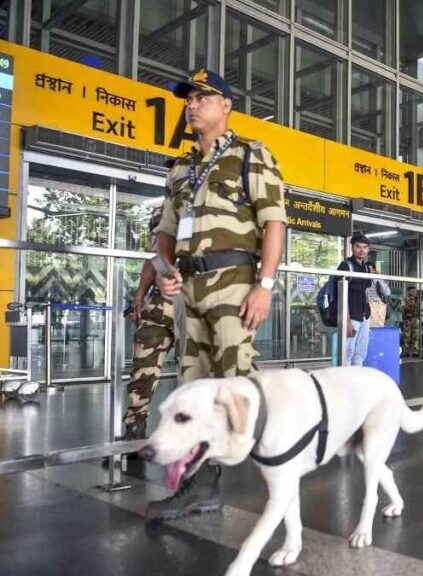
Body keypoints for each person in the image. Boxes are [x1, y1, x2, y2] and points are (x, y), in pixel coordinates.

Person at [150, 69, 287, 517]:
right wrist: (164, 272)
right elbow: (165, 233)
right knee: (191, 389)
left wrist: (264, 286)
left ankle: (280, 481)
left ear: (225, 106)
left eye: (201, 98)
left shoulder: (251, 155)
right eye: (188, 99)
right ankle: (199, 485)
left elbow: (274, 223)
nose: (191, 104)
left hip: (234, 285)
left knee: (236, 385)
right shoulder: (179, 169)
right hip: (189, 292)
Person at [122, 209, 176, 442]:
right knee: (142, 373)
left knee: (196, 376)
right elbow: (153, 260)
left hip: (193, 311)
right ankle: (134, 430)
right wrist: (139, 296)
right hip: (157, 311)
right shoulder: (167, 218)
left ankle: (200, 443)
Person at [337, 233, 379, 366]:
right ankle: (345, 382)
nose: (361, 250)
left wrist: (370, 313)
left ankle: (356, 381)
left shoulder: (367, 268)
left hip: (365, 316)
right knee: (347, 352)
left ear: (368, 249)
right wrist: (347, 321)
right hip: (351, 316)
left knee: (361, 353)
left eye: (365, 247)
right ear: (352, 248)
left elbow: (366, 291)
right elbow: (342, 295)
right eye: (358, 247)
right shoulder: (345, 266)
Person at [401, 286, 422, 358]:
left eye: (415, 291)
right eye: (413, 291)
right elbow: (404, 307)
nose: (414, 292)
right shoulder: (405, 298)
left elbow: (419, 307)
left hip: (415, 319)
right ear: (409, 291)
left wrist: (412, 306)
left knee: (416, 336)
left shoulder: (417, 299)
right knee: (406, 337)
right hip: (407, 320)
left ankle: (415, 351)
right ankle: (406, 352)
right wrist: (412, 306)